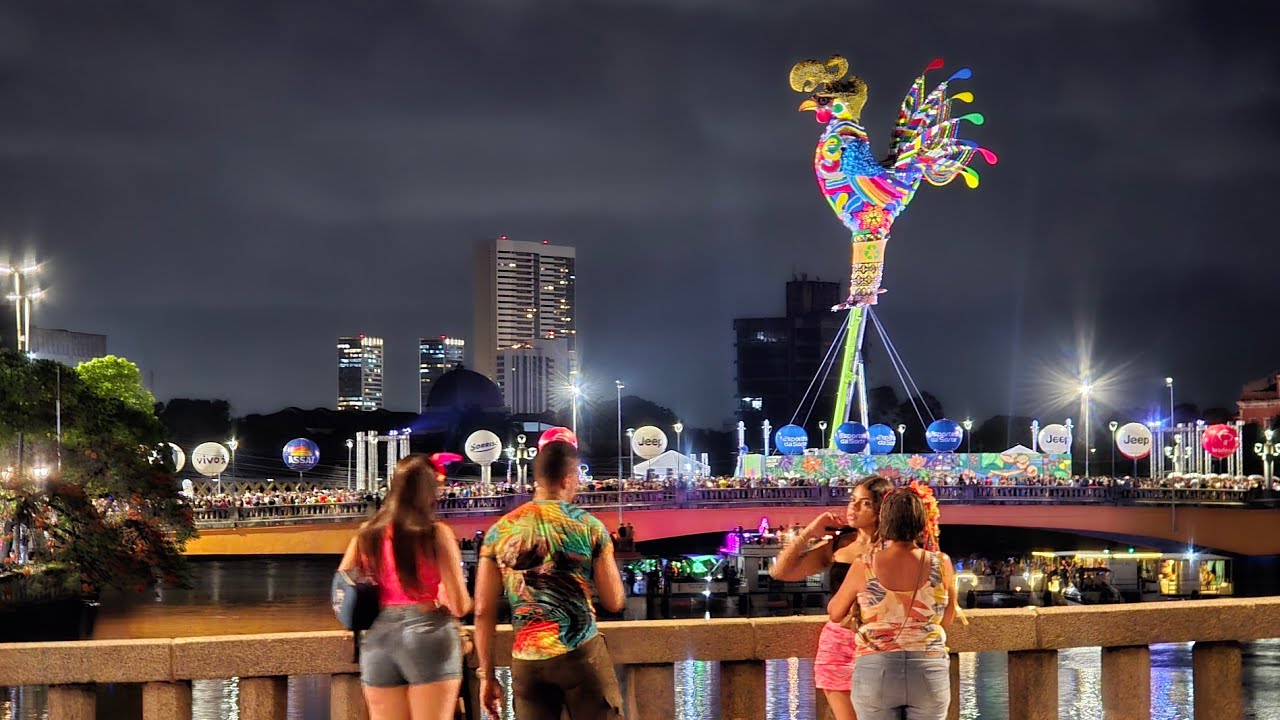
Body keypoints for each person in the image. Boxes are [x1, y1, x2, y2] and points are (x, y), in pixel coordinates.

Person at [474, 440, 627, 720]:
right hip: (580, 654)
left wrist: (487, 674)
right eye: (577, 477)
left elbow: (483, 610)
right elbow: (614, 601)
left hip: (527, 662)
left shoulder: (499, 532)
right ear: (567, 479)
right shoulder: (590, 526)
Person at [337, 453, 472, 720]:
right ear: (429, 490)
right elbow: (459, 605)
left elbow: (342, 588)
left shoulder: (366, 534)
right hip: (428, 633)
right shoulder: (435, 533)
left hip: (378, 639)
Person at [828, 486, 958, 720]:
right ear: (922, 522)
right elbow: (948, 617)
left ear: (885, 522)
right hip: (928, 670)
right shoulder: (942, 563)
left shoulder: (865, 564)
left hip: (876, 670)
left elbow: (835, 612)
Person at [770, 475, 894, 720]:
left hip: (881, 645)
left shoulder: (895, 549)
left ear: (881, 509)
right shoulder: (840, 545)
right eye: (852, 500)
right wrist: (809, 532)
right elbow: (780, 572)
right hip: (838, 644)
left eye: (865, 503)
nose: (853, 507)